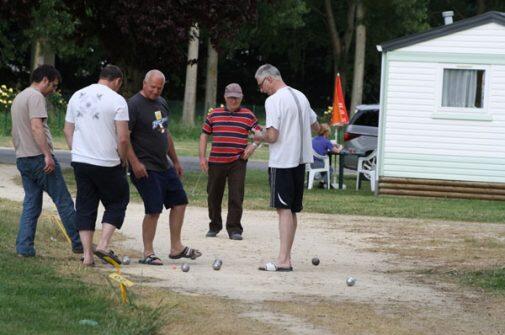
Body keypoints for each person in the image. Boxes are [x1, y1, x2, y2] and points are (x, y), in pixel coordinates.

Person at [127, 69, 201, 266]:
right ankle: (148, 253)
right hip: (144, 166)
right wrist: (134, 163)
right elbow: (124, 138)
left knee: (180, 202)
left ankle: (176, 247)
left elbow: (165, 133)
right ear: (144, 83)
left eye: (159, 88)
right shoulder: (134, 105)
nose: (155, 91)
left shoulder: (162, 103)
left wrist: (175, 161)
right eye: (153, 87)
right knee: (153, 210)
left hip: (163, 165)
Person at [253, 64, 319, 272]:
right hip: (300, 161)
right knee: (291, 210)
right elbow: (315, 125)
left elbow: (273, 136)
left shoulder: (273, 100)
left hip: (282, 161)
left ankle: (283, 260)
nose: (261, 89)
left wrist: (258, 136)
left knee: (283, 210)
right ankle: (286, 256)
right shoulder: (301, 96)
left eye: (261, 84)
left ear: (270, 79)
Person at [11, 64, 82, 257]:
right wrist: (47, 155)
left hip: (23, 158)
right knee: (64, 201)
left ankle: (24, 248)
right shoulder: (35, 97)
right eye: (53, 85)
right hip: (39, 159)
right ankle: (79, 243)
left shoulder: (19, 97)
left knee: (32, 203)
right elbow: (36, 127)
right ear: (44, 80)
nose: (54, 90)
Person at [64, 64, 130, 266]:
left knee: (85, 205)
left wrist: (77, 151)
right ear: (117, 81)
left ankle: (87, 255)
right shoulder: (118, 100)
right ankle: (102, 244)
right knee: (118, 200)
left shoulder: (77, 96)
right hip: (107, 161)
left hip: (81, 160)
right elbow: (123, 138)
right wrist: (123, 158)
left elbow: (68, 130)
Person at [199, 83, 261, 240]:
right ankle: (214, 225)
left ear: (241, 98)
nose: (234, 100)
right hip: (216, 161)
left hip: (237, 162)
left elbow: (260, 133)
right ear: (225, 97)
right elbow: (204, 135)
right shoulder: (214, 114)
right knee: (213, 195)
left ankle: (234, 229)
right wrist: (202, 157)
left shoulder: (248, 115)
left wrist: (252, 146)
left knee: (236, 195)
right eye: (231, 97)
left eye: (237, 98)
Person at [311, 123, 342, 188]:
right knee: (330, 169)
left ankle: (323, 182)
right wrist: (341, 147)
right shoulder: (326, 141)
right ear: (326, 132)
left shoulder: (313, 139)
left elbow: (320, 146)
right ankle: (324, 183)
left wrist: (332, 145)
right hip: (318, 163)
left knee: (325, 168)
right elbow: (337, 151)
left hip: (310, 162)